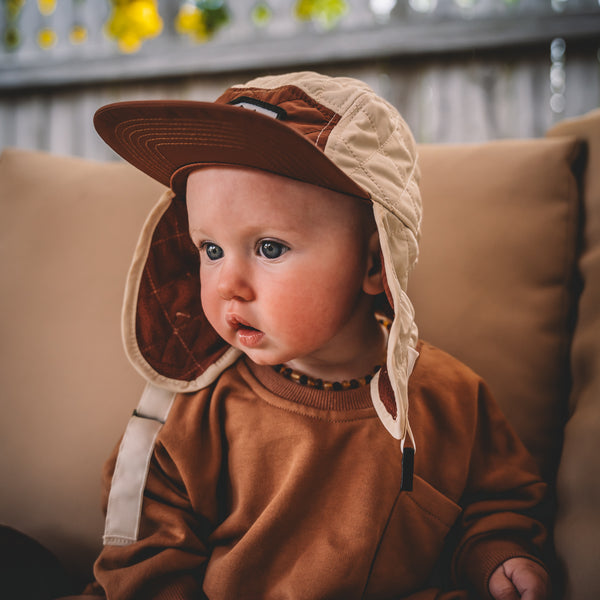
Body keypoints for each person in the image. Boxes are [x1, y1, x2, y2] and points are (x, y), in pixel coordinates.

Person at [88, 71, 550, 600]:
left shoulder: (449, 399)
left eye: (269, 248)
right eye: (210, 250)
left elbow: (496, 505)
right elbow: (141, 544)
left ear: (376, 263)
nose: (228, 285)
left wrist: (498, 557)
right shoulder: (194, 408)